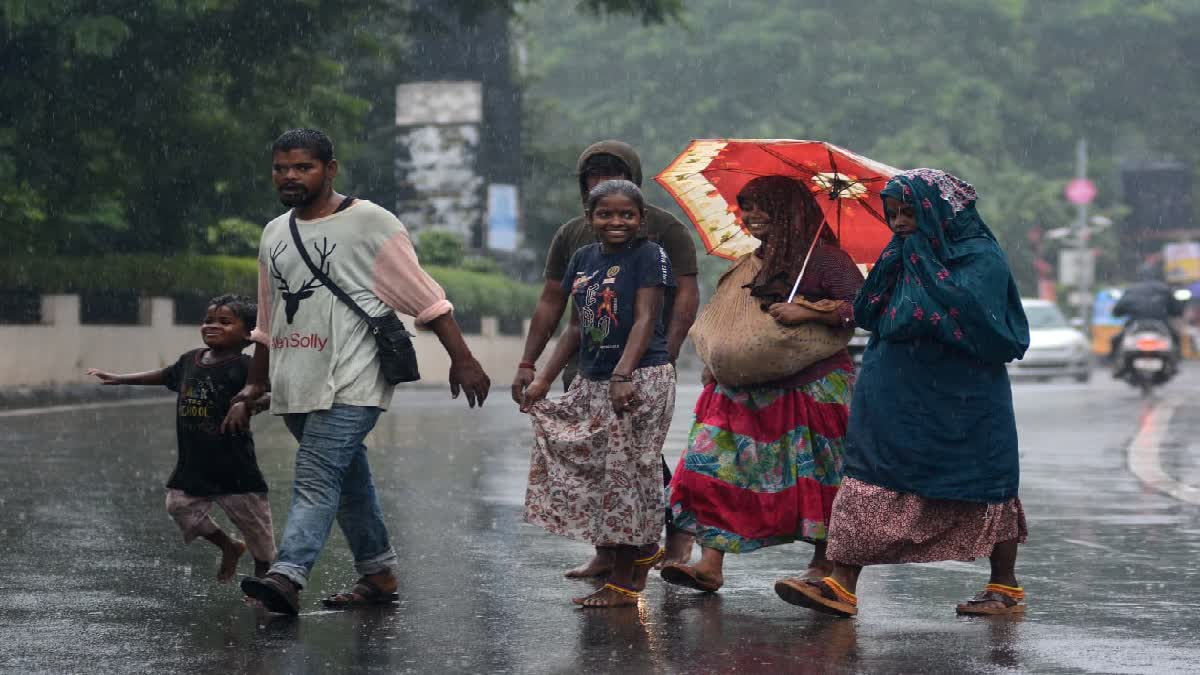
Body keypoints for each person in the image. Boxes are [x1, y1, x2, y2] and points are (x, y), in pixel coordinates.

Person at [237, 129, 491, 616]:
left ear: (330, 169)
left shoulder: (371, 222)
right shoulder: (273, 232)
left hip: (353, 378)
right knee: (347, 480)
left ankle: (288, 575)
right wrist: (256, 381)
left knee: (315, 474)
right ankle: (378, 575)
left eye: (303, 167)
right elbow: (268, 321)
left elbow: (425, 297)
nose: (289, 176)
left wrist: (463, 358)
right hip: (296, 381)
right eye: (281, 168)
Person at [775, 169, 1031, 618]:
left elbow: (980, 318)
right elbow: (871, 309)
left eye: (909, 212)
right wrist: (898, 263)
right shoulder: (901, 252)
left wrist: (924, 275)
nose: (898, 221)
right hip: (893, 384)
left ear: (938, 211)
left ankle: (1004, 587)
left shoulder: (980, 256)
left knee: (984, 481)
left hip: (963, 393)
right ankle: (841, 582)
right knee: (872, 472)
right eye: (891, 213)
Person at [661, 176, 861, 594]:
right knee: (711, 469)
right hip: (741, 392)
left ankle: (824, 564)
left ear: (788, 211)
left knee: (819, 480)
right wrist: (719, 361)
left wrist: (808, 312)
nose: (749, 218)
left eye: (760, 207)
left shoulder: (826, 260)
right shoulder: (752, 263)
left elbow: (860, 308)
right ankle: (709, 563)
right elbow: (730, 319)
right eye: (744, 208)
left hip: (813, 390)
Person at [512, 140, 700, 575]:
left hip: (639, 362)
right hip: (588, 365)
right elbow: (555, 306)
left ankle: (666, 535)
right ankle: (607, 550)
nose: (613, 215)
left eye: (614, 176)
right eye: (594, 180)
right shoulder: (574, 240)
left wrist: (664, 355)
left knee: (636, 459)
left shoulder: (662, 233)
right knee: (598, 458)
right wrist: (530, 365)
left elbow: (683, 296)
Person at [87, 294, 275, 584]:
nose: (213, 326)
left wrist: (247, 403)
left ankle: (266, 583)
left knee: (258, 532)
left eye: (225, 322)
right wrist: (121, 378)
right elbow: (164, 375)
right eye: (209, 320)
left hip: (235, 467)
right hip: (195, 463)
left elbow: (270, 393)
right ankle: (228, 545)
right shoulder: (192, 360)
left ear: (249, 334)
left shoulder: (247, 367)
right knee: (179, 506)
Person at [1109, 274, 1184, 376]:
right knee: (1176, 338)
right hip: (1160, 324)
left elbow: (1117, 311)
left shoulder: (1131, 290)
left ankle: (1115, 365)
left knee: (1115, 340)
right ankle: (1176, 364)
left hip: (1135, 324)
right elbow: (1177, 310)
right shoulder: (1165, 290)